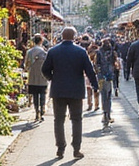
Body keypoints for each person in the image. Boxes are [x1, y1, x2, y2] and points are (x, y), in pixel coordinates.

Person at [42, 27, 99, 159]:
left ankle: (60, 148)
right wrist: (95, 85)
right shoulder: (80, 52)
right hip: (76, 90)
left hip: (58, 90)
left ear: (62, 36)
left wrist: (52, 78)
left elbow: (44, 69)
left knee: (59, 120)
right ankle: (76, 149)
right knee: (77, 120)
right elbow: (90, 71)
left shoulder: (53, 51)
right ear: (74, 37)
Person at [23, 33, 48, 122]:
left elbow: (26, 65)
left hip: (32, 76)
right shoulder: (44, 52)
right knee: (42, 94)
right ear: (41, 41)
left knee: (35, 95)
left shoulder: (29, 52)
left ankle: (37, 112)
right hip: (42, 76)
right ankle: (42, 110)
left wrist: (28, 69)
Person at [95, 38, 118, 127]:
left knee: (103, 95)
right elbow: (114, 64)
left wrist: (99, 73)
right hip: (109, 76)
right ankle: (108, 114)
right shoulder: (112, 52)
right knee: (108, 96)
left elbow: (96, 64)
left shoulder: (99, 52)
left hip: (101, 77)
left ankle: (105, 113)